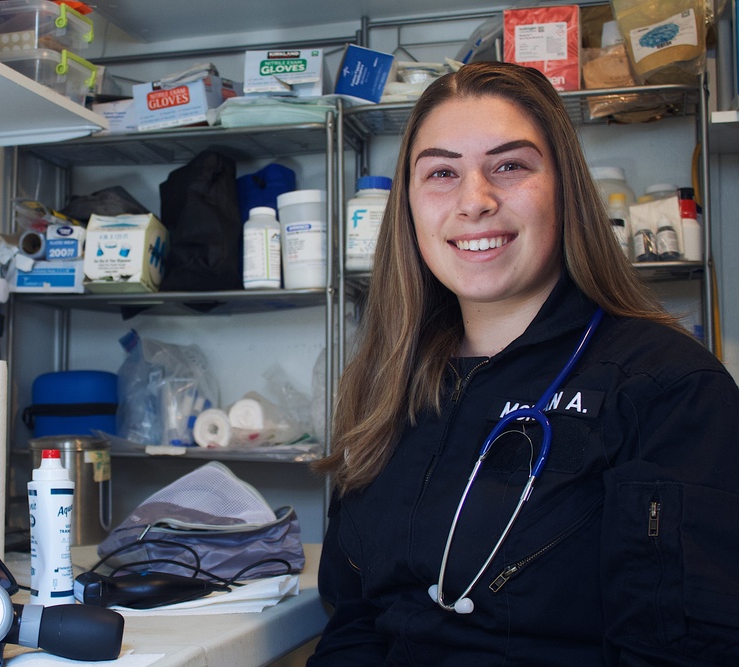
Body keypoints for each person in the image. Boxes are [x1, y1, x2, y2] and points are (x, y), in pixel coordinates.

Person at [308, 61, 739, 665]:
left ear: (566, 190)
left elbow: (685, 653)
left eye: (509, 166)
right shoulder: (391, 391)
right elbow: (355, 622)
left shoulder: (670, 390)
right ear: (408, 206)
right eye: (441, 173)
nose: (474, 201)